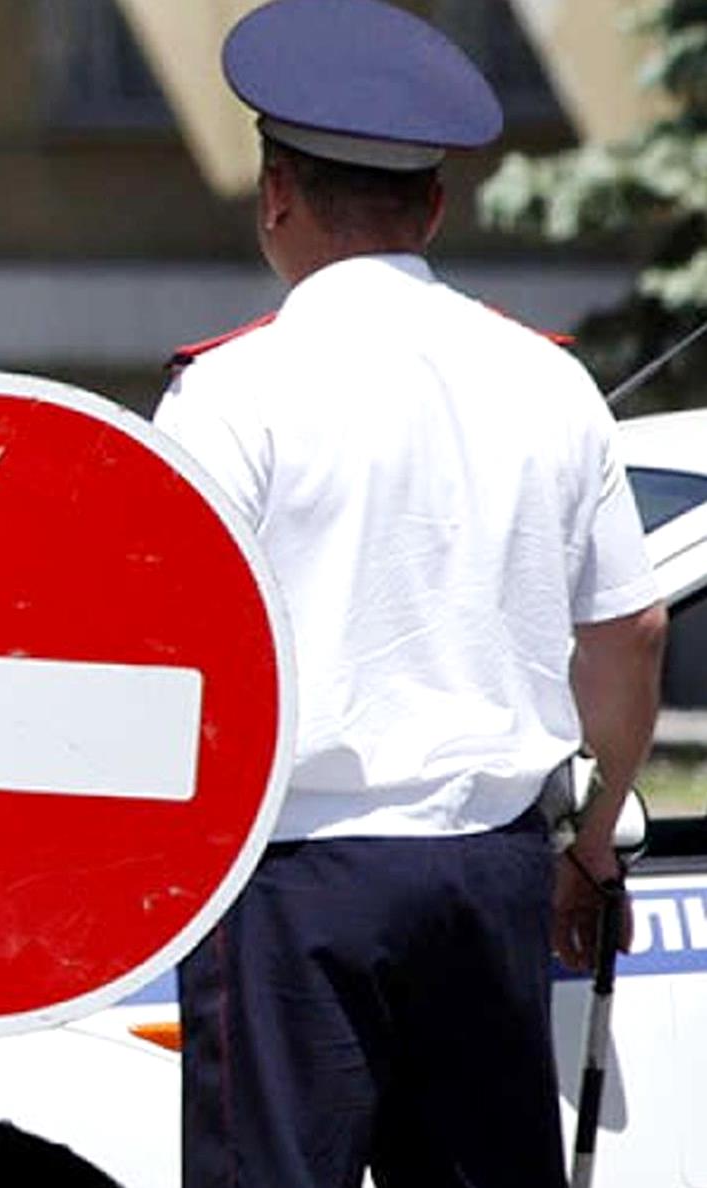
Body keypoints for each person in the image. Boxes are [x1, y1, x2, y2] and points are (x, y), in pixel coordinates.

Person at [151, 2, 669, 1185]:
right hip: (485, 878)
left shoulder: (230, 394)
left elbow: (168, 651)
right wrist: (587, 845)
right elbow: (630, 630)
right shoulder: (548, 382)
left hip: (289, 883)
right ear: (430, 209)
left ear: (274, 194)